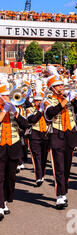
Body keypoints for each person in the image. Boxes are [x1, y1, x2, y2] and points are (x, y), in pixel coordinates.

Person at [44, 67, 77, 209]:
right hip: (56, 135)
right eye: (58, 86)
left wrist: (75, 98)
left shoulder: (68, 98)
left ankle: (64, 190)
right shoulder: (47, 100)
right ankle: (60, 196)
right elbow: (50, 113)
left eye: (61, 85)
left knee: (67, 165)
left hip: (69, 134)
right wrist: (65, 101)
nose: (61, 88)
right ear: (52, 88)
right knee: (58, 166)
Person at [0, 83, 30, 219]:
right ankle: (0, 205)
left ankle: (5, 200)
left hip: (13, 147)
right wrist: (3, 111)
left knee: (10, 177)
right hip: (0, 147)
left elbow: (25, 125)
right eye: (5, 96)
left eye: (8, 95)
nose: (8, 98)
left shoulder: (15, 109)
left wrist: (14, 112)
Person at [25, 91, 50, 187]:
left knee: (44, 157)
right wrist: (40, 111)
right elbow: (32, 119)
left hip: (45, 134)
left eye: (40, 100)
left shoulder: (45, 110)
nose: (39, 102)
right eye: (37, 101)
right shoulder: (30, 109)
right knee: (37, 157)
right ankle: (38, 177)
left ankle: (41, 174)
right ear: (34, 101)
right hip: (35, 135)